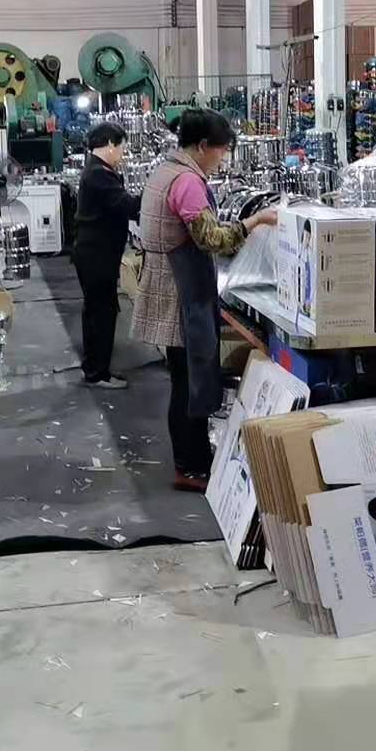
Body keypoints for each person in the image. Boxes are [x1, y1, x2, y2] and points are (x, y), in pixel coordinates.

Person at [132, 109, 276, 492]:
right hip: (183, 295)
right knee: (190, 383)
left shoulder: (165, 171)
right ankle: (191, 467)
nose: (223, 159)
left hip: (169, 286)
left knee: (184, 379)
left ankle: (192, 460)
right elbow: (211, 238)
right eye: (221, 150)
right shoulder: (187, 182)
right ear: (202, 146)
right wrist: (255, 221)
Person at [73, 122, 142, 389]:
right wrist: (155, 195)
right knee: (102, 313)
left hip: (93, 253)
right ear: (110, 144)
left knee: (96, 311)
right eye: (121, 148)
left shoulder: (95, 170)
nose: (122, 154)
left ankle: (93, 367)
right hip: (97, 255)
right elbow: (127, 206)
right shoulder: (99, 175)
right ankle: (98, 373)